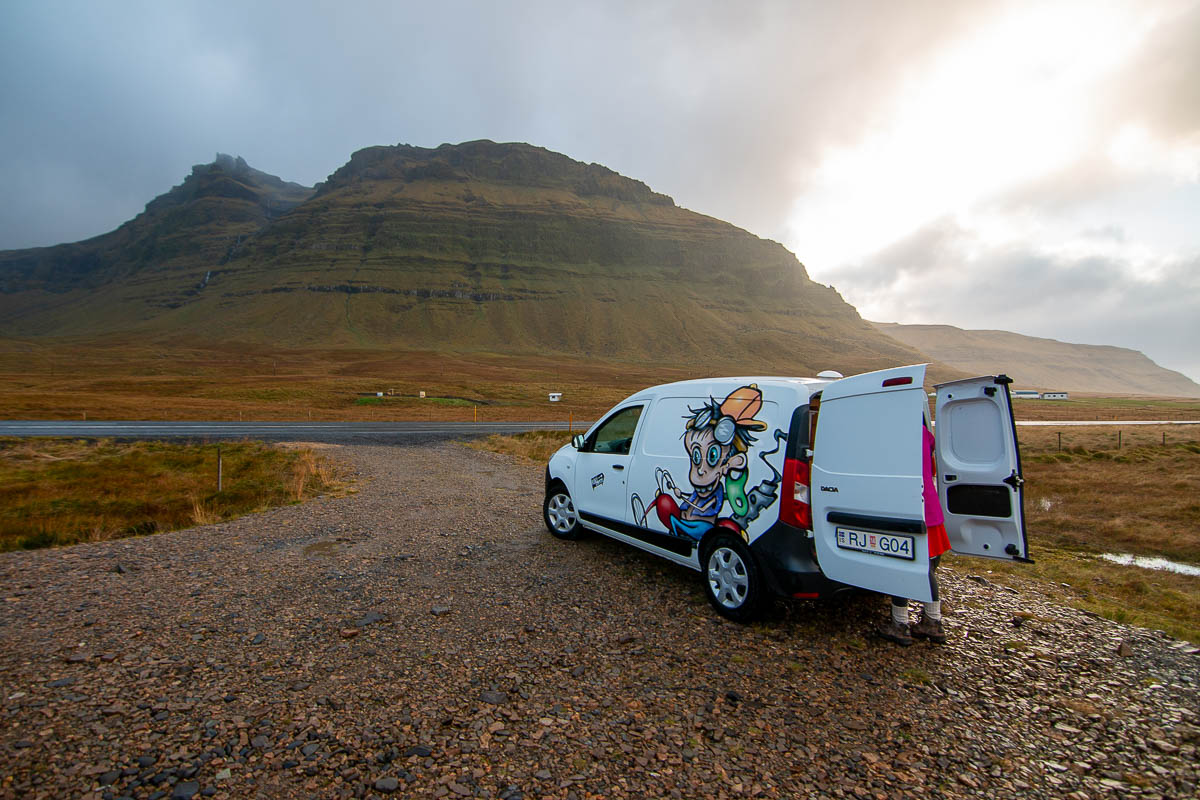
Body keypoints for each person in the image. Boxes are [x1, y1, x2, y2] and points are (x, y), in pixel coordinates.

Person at [879, 420, 950, 645]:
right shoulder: (923, 434)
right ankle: (932, 620)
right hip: (928, 506)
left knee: (902, 565)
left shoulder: (892, 432)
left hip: (905, 507)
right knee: (926, 567)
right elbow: (931, 467)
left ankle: (900, 624)